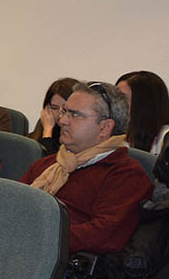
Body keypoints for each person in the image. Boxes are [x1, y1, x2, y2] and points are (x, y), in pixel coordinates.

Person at [20, 81, 153, 254]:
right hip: (22, 253)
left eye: (75, 115)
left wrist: (33, 235)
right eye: (64, 111)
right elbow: (15, 205)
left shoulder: (126, 177)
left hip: (61, 267)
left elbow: (104, 236)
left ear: (105, 127)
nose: (63, 120)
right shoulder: (47, 165)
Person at [116, 71, 169, 155]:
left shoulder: (165, 137)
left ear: (145, 103)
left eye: (122, 98)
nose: (116, 104)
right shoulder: (116, 139)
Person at [28, 77, 78, 156]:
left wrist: (47, 134)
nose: (60, 114)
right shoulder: (35, 136)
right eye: (54, 108)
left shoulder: (78, 138)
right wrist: (47, 130)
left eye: (65, 109)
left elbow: (53, 164)